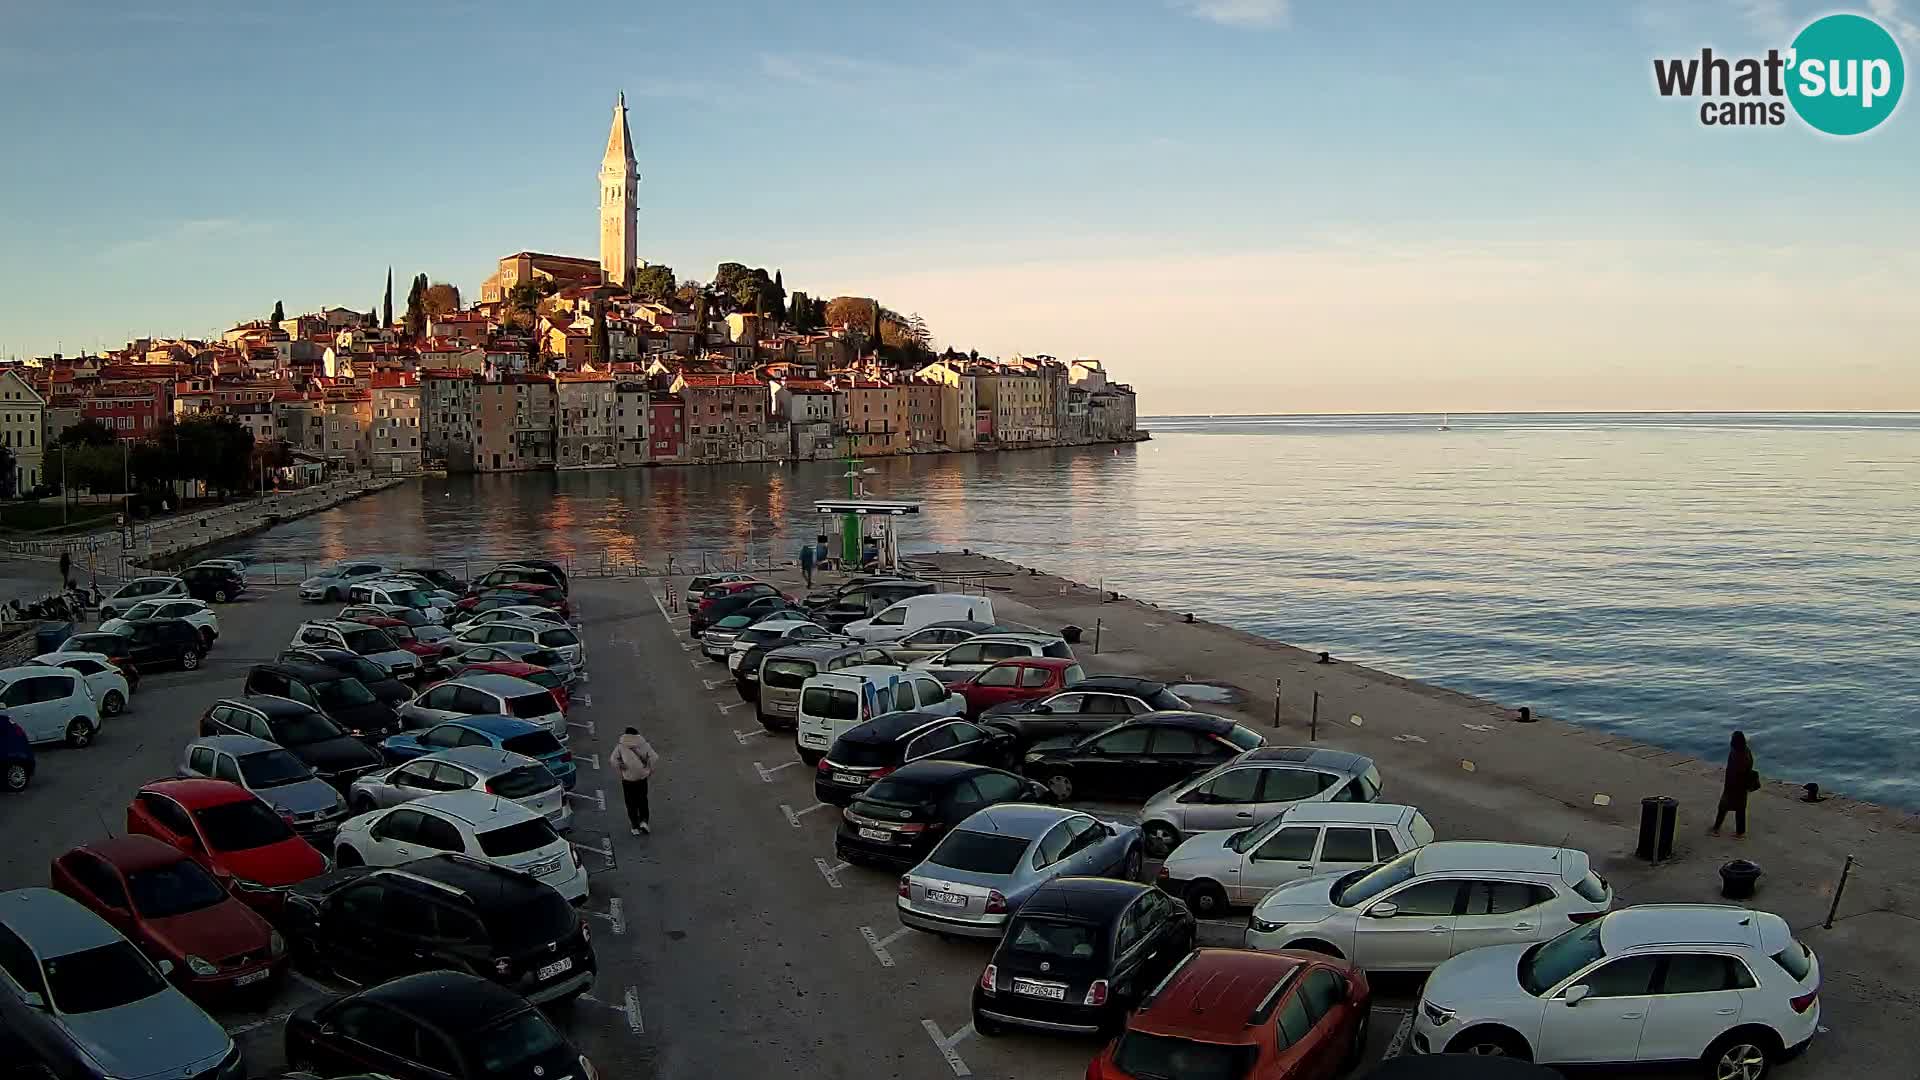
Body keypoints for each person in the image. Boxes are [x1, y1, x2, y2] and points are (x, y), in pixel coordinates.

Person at [612, 726, 659, 835]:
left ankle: (634, 826)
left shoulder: (621, 746)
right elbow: (654, 757)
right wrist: (649, 770)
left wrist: (620, 767)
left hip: (627, 779)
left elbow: (613, 760)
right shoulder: (644, 744)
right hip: (641, 778)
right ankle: (644, 821)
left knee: (630, 802)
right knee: (642, 799)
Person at [1710, 730, 1756, 838]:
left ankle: (1716, 828)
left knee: (1723, 807)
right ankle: (1740, 832)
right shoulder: (1746, 751)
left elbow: (1733, 771)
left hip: (1733, 786)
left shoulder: (1736, 754)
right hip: (1742, 786)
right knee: (1740, 809)